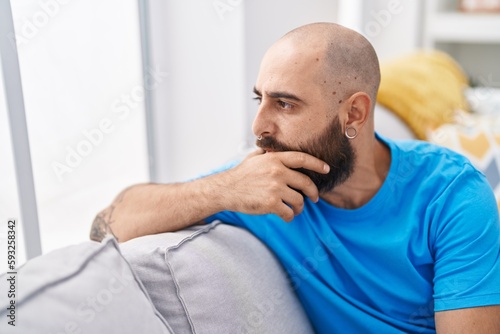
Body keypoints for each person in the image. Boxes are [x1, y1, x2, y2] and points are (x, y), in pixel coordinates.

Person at [89, 22, 500, 333]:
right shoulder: (259, 182)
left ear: (354, 114)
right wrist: (221, 190)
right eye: (260, 99)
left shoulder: (451, 195)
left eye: (285, 104)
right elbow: (106, 224)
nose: (259, 125)